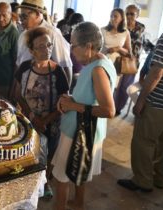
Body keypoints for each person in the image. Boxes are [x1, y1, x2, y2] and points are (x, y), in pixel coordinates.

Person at [117, 0, 163, 193]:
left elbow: (156, 73)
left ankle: (143, 180)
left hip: (161, 101)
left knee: (144, 140)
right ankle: (159, 177)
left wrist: (142, 99)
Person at [52, 22, 117, 210]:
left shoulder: (97, 70)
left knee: (60, 176)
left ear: (88, 46)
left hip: (79, 131)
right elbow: (92, 98)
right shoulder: (100, 61)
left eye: (73, 45)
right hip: (85, 129)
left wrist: (73, 105)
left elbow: (108, 110)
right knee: (80, 168)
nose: (71, 50)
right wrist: (72, 98)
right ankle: (78, 203)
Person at [12, 27, 69, 197]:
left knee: (48, 154)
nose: (47, 50)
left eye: (49, 45)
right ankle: (27, 182)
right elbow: (17, 94)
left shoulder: (58, 72)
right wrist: (32, 116)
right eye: (41, 47)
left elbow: (63, 102)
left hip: (50, 124)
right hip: (29, 121)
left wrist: (44, 121)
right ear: (31, 51)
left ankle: (45, 183)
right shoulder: (24, 68)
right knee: (28, 152)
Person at [17, 0, 72, 85]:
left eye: (24, 16)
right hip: (24, 89)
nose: (21, 21)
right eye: (20, 16)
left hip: (45, 90)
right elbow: (18, 64)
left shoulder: (52, 33)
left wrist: (65, 94)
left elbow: (65, 66)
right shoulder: (23, 35)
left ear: (38, 14)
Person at [113, 4, 145, 116]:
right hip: (118, 58)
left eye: (132, 14)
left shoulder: (141, 27)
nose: (129, 16)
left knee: (125, 87)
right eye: (127, 13)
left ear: (137, 15)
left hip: (131, 61)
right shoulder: (120, 26)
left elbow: (137, 41)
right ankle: (112, 105)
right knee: (115, 84)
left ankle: (118, 107)